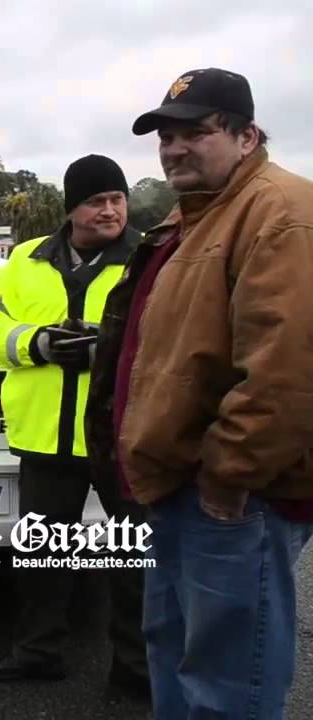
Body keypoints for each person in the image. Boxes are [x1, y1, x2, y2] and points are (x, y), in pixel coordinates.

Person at [86, 67, 313, 719]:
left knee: (227, 679)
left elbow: (287, 369)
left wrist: (229, 477)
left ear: (246, 136)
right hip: (178, 488)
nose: (175, 147)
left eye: (195, 132)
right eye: (165, 135)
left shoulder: (281, 215)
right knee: (175, 657)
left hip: (233, 501)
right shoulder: (194, 219)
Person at [0, 154, 148, 696]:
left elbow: (174, 331)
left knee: (134, 559)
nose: (110, 210)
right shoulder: (27, 258)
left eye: (117, 200)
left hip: (123, 437)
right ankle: (37, 653)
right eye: (97, 201)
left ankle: (136, 668)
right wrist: (38, 342)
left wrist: (107, 347)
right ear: (72, 209)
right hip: (45, 436)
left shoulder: (148, 257)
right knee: (43, 557)